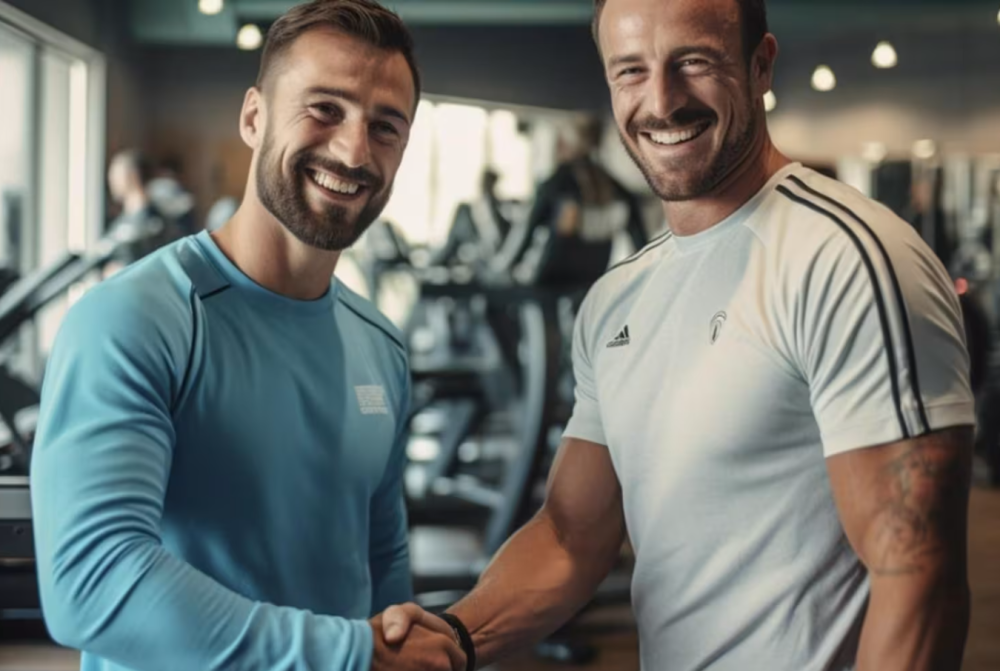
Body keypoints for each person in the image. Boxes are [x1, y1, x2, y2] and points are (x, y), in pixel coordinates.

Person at [382, 0, 976, 669]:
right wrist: (456, 637)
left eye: (693, 61)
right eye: (630, 70)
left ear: (761, 66)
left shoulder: (846, 261)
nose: (661, 101)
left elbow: (917, 576)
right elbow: (572, 535)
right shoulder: (617, 299)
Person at [31, 2, 464, 671]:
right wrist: (350, 652)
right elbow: (91, 582)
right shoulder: (138, 318)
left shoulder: (381, 345)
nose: (354, 150)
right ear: (254, 117)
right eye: (324, 108)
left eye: (385, 127)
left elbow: (383, 565)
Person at [499, 115, 647, 284]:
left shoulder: (556, 184)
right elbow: (641, 246)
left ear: (564, 142)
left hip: (552, 281)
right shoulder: (617, 189)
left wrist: (506, 268)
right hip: (593, 279)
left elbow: (527, 231)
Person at [105, 149, 173, 267]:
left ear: (133, 175)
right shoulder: (121, 221)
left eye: (115, 174)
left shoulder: (153, 224)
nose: (111, 180)